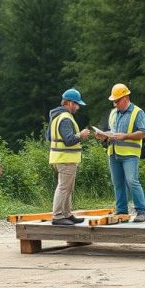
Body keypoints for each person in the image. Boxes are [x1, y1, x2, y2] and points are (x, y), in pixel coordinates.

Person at [99, 83, 145, 222]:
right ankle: (121, 212)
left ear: (125, 98)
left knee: (132, 181)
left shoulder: (137, 112)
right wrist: (104, 136)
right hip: (113, 152)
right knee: (117, 183)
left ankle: (141, 211)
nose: (115, 104)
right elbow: (111, 131)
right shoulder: (113, 113)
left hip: (129, 154)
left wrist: (125, 136)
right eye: (113, 101)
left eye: (117, 100)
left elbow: (144, 132)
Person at [47, 88, 92, 225]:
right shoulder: (65, 118)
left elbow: (48, 136)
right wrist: (81, 135)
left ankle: (67, 214)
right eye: (77, 104)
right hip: (65, 159)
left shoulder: (57, 116)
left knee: (68, 188)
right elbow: (69, 139)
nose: (78, 107)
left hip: (62, 158)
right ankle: (58, 216)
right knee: (63, 187)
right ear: (69, 103)